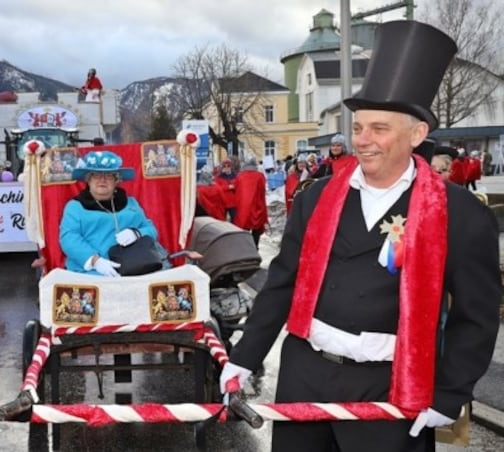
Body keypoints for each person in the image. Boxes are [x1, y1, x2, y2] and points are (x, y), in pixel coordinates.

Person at [219, 21, 500, 452]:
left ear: (417, 134)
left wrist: (451, 393)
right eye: (358, 127)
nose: (363, 141)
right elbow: (282, 282)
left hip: (388, 387)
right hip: (304, 376)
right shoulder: (316, 199)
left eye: (379, 129)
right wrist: (243, 356)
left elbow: (475, 317)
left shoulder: (459, 215)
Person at [59, 150, 157, 276]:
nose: (102, 180)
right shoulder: (75, 207)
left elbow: (151, 230)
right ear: (88, 179)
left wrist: (137, 233)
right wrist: (95, 261)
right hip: (89, 273)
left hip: (134, 270)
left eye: (109, 176)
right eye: (96, 175)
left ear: (117, 180)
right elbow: (69, 239)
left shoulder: (131, 203)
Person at [233, 156, 267, 248]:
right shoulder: (260, 176)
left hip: (243, 207)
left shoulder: (240, 176)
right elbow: (262, 191)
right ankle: (255, 248)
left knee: (244, 229)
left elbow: (236, 189)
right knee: (256, 230)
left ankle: (246, 249)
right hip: (257, 206)